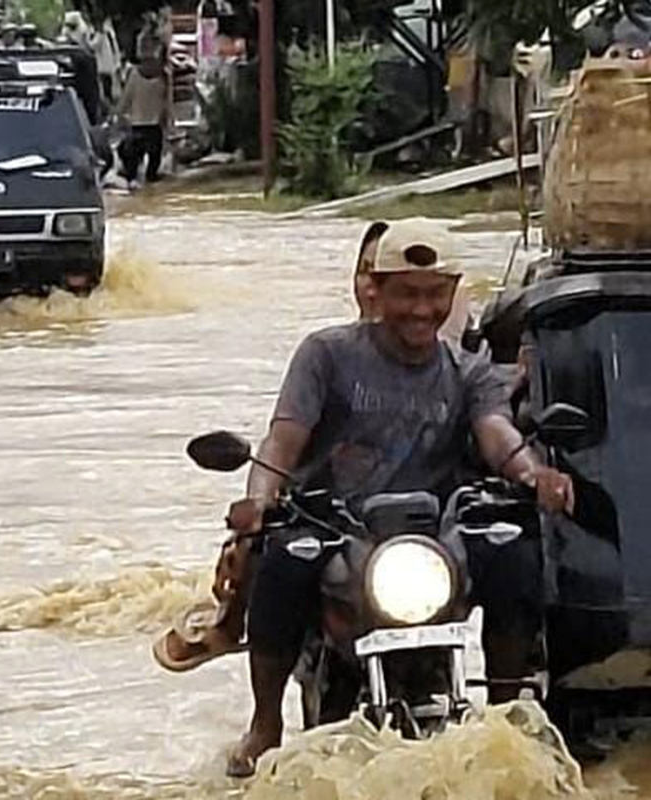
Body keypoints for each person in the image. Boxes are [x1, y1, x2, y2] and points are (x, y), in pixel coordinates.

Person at [165, 220, 575, 777]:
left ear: (453, 294)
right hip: (333, 523)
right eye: (407, 292)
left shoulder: (469, 370)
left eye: (435, 294)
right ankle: (265, 722)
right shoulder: (326, 355)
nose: (421, 309)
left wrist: (533, 473)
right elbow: (282, 440)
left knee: (511, 549)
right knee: (285, 560)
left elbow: (496, 433)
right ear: (375, 290)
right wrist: (259, 497)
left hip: (432, 533)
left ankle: (508, 715)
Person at [116, 55, 171, 187]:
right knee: (152, 170)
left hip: (137, 125)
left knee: (132, 163)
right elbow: (168, 103)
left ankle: (133, 181)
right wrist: (169, 123)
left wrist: (119, 114)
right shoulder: (164, 75)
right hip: (154, 125)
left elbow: (126, 98)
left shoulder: (134, 74)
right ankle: (149, 184)